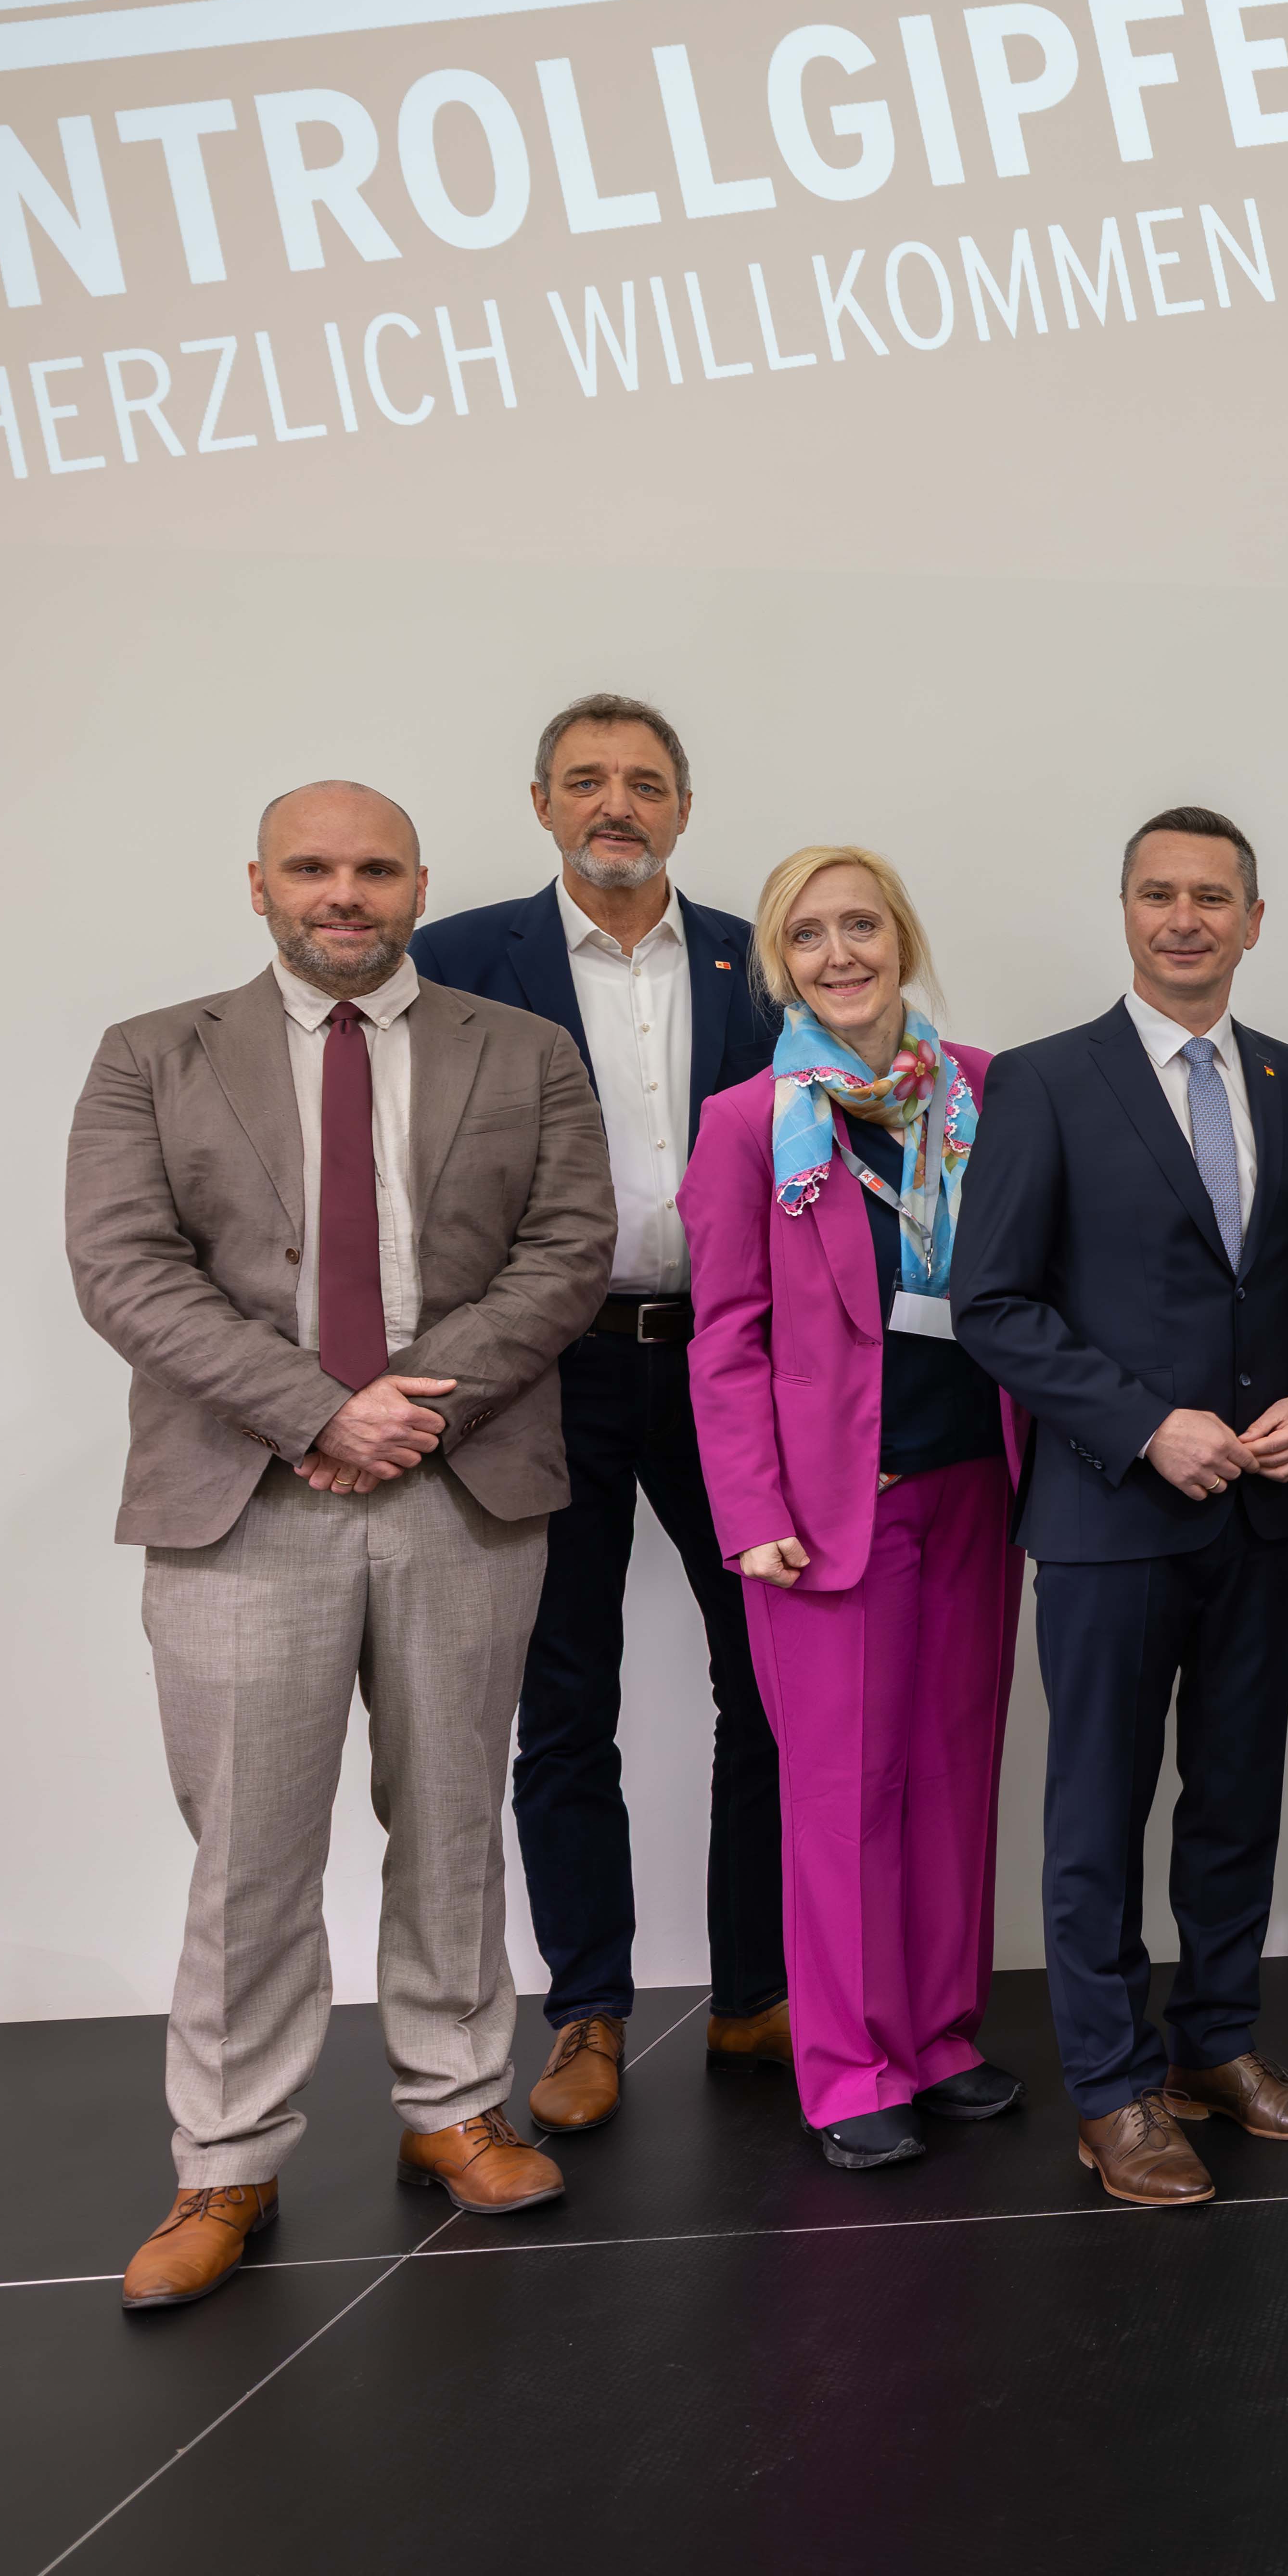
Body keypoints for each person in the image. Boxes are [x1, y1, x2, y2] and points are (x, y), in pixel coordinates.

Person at [70, 782, 612, 2309]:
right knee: (249, 1848)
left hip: (462, 1484)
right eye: (313, 867)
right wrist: (317, 1408)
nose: (345, 893)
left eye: (375, 868)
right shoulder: (151, 1056)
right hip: (246, 1497)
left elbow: (566, 1252)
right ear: (258, 884)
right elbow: (125, 1269)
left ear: (421, 884)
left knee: (451, 1818)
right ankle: (227, 2155)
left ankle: (454, 2104)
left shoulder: (527, 1053)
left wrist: (409, 1412)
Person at [950, 808, 1288, 2209]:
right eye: (1159, 894)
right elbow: (990, 1302)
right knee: (1099, 1814)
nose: (1185, 918)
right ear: (1124, 910)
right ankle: (1115, 2089)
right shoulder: (1047, 1082)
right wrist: (1139, 1423)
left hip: (1267, 1515)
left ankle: (1217, 2047)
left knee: (1236, 1798)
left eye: (1213, 897)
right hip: (1115, 1515)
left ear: (1255, 917)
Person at [410, 693, 788, 2136]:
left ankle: (756, 1991)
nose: (615, 804)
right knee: (561, 1697)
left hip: (727, 1367)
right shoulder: (460, 965)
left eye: (644, 782)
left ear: (684, 808)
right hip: (543, 1369)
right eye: (587, 782)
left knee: (762, 1679)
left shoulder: (765, 962)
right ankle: (588, 2013)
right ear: (541, 803)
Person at [684, 848, 1024, 2171]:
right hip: (829, 1507)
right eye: (809, 934)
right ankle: (846, 2065)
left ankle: (939, 2034)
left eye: (862, 925)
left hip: (974, 1484)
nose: (841, 953)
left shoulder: (981, 1092)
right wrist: (749, 1506)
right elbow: (724, 1338)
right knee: (841, 1792)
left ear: (903, 937)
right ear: (783, 961)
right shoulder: (750, 1120)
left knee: (953, 1774)